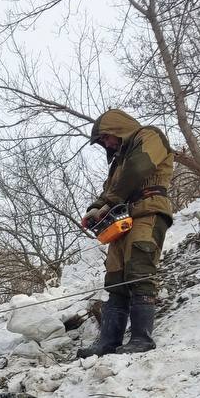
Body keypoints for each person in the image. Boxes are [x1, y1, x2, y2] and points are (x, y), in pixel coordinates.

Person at [77, 109, 175, 357]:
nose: (107, 144)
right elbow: (109, 191)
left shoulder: (150, 136)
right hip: (124, 219)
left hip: (149, 212)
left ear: (120, 128)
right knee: (116, 279)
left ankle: (142, 339)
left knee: (140, 272)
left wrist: (109, 202)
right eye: (103, 142)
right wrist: (95, 209)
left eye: (107, 137)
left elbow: (138, 168)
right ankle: (107, 343)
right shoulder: (117, 163)